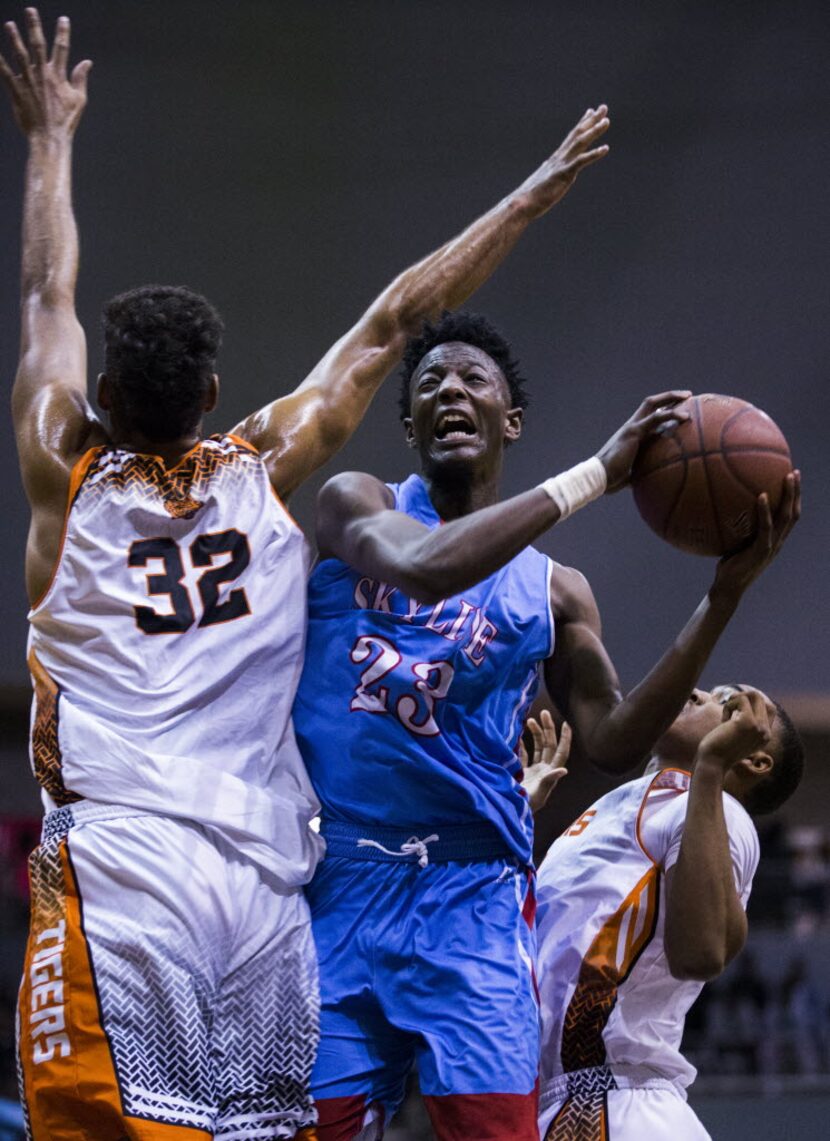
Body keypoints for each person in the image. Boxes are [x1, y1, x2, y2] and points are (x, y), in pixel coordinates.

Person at [0, 9, 616, 1139]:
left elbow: (45, 298)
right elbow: (396, 318)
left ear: (98, 407)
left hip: (123, 868)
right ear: (215, 390)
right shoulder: (266, 465)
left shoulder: (61, 467)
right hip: (265, 898)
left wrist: (49, 137)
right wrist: (530, 196)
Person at [291, 301, 799, 1139]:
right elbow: (423, 569)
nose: (450, 388)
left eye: (472, 378)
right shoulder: (358, 503)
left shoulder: (556, 590)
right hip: (342, 882)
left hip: (472, 897)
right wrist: (594, 473)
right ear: (411, 418)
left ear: (510, 418)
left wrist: (723, 596)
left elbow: (616, 740)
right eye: (430, 381)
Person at [527, 685, 805, 1140]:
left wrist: (711, 768)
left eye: (728, 704)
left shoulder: (719, 811)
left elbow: (700, 954)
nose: (695, 691)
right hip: (559, 1100)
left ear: (752, 759)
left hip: (617, 1104)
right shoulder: (617, 805)